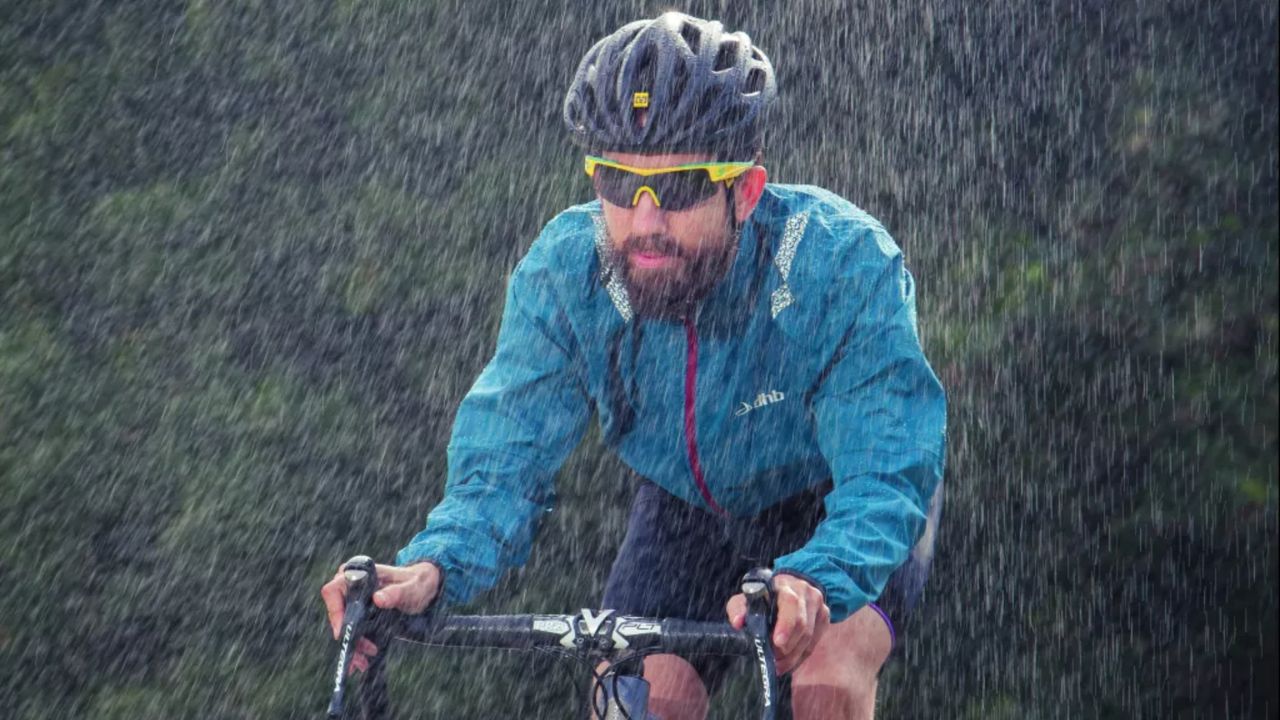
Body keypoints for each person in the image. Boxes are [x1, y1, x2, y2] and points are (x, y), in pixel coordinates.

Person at [322, 12, 946, 719]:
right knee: (633, 703)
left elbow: (885, 469)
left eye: (678, 189)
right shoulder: (566, 275)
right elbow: (504, 466)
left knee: (825, 680)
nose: (646, 222)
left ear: (743, 191)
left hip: (836, 502)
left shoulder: (841, 264)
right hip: (688, 510)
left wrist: (818, 578)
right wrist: (435, 564)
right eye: (619, 184)